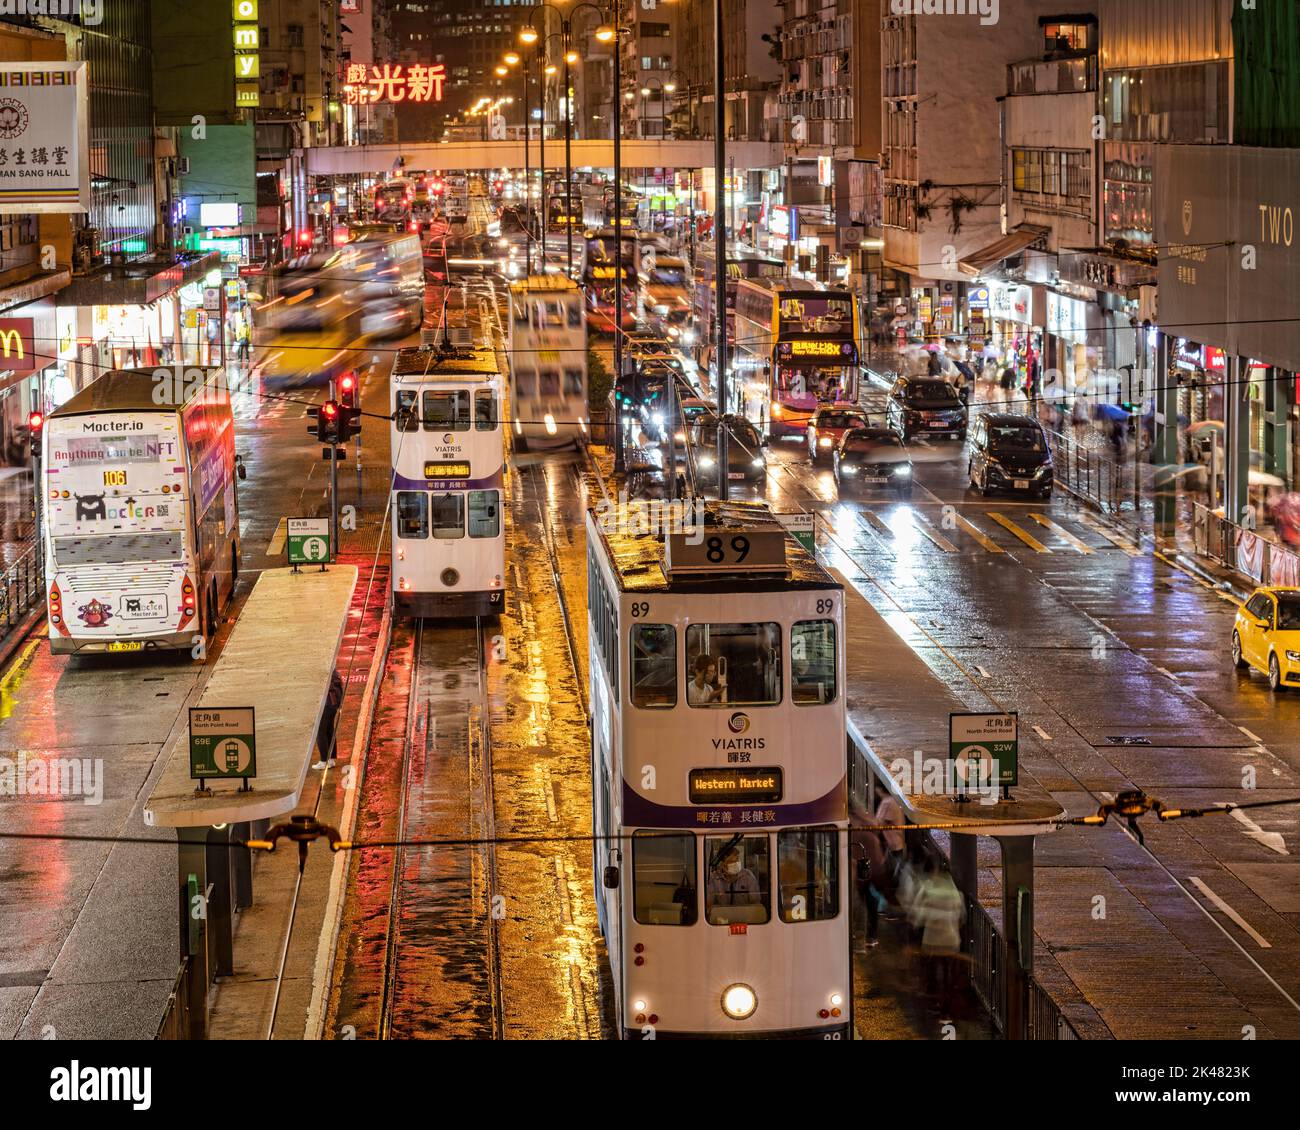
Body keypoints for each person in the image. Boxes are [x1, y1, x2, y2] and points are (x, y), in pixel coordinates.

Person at [913, 859, 966, 1010]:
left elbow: (919, 915)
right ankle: (947, 1005)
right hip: (951, 940)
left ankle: (933, 1000)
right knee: (949, 972)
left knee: (932, 970)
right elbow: (961, 917)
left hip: (932, 940)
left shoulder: (927, 889)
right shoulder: (956, 893)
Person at [313, 669, 345, 769]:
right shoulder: (334, 672)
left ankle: (323, 761)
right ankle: (331, 759)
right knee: (329, 730)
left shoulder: (324, 674)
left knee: (320, 732)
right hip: (333, 705)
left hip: (326, 705)